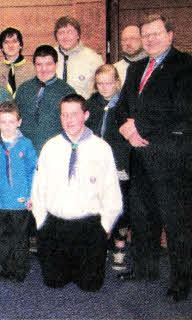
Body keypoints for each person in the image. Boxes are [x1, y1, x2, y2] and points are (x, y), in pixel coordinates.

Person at [115, 14, 192, 303]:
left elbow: (181, 109)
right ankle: (145, 269)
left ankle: (182, 280)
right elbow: (123, 106)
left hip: (172, 159)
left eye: (156, 33)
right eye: (145, 35)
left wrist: (139, 127)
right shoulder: (136, 68)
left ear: (170, 35)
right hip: (140, 157)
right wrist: (126, 128)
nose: (150, 39)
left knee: (177, 225)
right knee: (142, 218)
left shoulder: (185, 65)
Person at [31, 93, 122, 292]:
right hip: (55, 225)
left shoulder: (101, 148)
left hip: (88, 226)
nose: (69, 120)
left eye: (74, 114)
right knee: (53, 282)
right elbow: (38, 188)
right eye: (64, 115)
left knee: (90, 286)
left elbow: (112, 191)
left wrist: (105, 225)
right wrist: (41, 222)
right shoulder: (51, 147)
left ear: (86, 115)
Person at [85, 64, 131, 271]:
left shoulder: (126, 103)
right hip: (95, 164)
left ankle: (119, 247)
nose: (104, 87)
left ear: (117, 82)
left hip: (120, 161)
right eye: (100, 83)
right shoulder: (90, 103)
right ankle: (99, 247)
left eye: (109, 83)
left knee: (120, 207)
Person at [0, 101, 37, 282]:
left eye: (11, 121)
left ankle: (20, 269)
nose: (7, 126)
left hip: (20, 201)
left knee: (20, 239)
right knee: (2, 239)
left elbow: (33, 171)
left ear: (19, 122)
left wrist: (32, 194)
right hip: (0, 201)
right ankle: (7, 268)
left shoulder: (26, 144)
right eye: (3, 121)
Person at [15, 45, 76, 152]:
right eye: (39, 64)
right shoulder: (23, 89)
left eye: (48, 64)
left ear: (56, 64)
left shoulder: (67, 92)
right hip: (25, 151)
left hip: (55, 151)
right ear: (34, 65)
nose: (43, 69)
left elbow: (73, 126)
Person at [54, 16, 104, 98]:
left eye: (69, 32)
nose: (65, 37)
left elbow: (101, 92)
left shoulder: (93, 59)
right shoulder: (49, 57)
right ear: (56, 37)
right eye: (61, 33)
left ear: (78, 35)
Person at [0, 27, 35, 98]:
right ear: (1, 47)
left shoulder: (32, 69)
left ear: (20, 45)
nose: (10, 45)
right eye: (6, 42)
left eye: (14, 41)